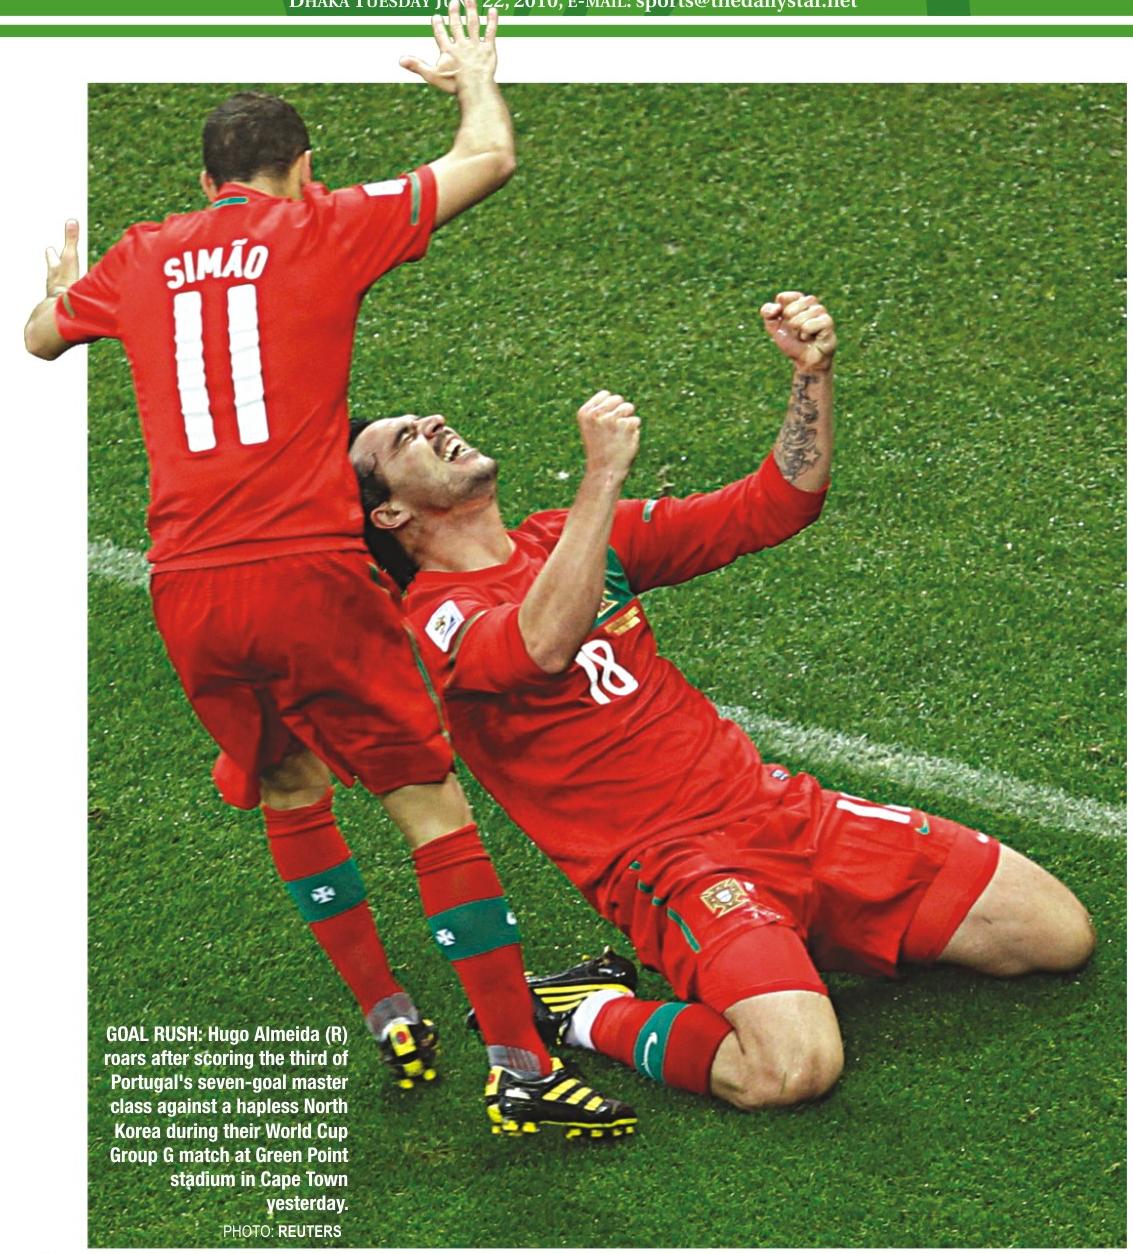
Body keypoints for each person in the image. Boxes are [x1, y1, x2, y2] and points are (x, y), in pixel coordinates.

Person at [25, 2, 637, 1139]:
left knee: (287, 783)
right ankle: (517, 1064)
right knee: (428, 805)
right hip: (306, 573)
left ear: (207, 180)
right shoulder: (323, 224)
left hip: (187, 589)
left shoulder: (141, 255)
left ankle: (387, 1013)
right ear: (301, 169)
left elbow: (41, 335)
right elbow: (489, 159)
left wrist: (60, 290)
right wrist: (471, 77)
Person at [348, 290, 1096, 1111]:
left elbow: (775, 505)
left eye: (419, 418)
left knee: (1055, 934)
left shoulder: (567, 536)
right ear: (389, 512)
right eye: (403, 439)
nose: (430, 423)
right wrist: (601, 476)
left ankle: (794, 941)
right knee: (790, 1069)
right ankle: (585, 1012)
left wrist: (811, 376)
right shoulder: (436, 620)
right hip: (674, 866)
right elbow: (540, 646)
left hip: (779, 812)